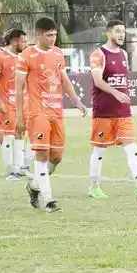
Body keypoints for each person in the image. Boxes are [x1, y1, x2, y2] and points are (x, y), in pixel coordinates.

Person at [16, 17, 88, 212]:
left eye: (55, 34)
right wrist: (20, 117)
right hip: (37, 112)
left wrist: (77, 101)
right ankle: (48, 200)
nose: (53, 38)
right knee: (41, 154)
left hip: (56, 112)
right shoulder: (27, 55)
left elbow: (64, 80)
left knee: (56, 157)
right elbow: (19, 86)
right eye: (49, 35)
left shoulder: (57, 54)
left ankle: (34, 186)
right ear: (38, 35)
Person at [87, 20, 137, 200]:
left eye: (123, 31)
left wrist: (121, 96)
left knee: (132, 148)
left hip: (123, 112)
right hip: (103, 111)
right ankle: (93, 187)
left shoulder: (124, 54)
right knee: (99, 151)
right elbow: (98, 81)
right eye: (117, 31)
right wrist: (116, 93)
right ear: (108, 34)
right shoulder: (98, 54)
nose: (121, 34)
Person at [0, 30, 27, 178]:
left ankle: (16, 167)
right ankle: (11, 171)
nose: (25, 44)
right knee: (8, 136)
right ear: (15, 41)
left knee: (18, 134)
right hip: (6, 102)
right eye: (23, 41)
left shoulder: (23, 57)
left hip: (20, 103)